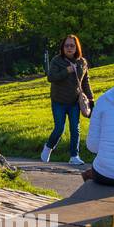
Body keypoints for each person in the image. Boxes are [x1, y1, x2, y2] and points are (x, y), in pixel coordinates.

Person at [41, 33, 94, 166]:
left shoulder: (82, 62)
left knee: (75, 129)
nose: (69, 48)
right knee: (59, 128)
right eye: (66, 45)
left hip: (75, 101)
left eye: (72, 45)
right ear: (63, 47)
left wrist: (91, 98)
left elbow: (85, 81)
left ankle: (74, 156)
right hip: (58, 100)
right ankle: (48, 147)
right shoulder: (56, 60)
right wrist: (67, 70)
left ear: (77, 47)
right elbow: (51, 77)